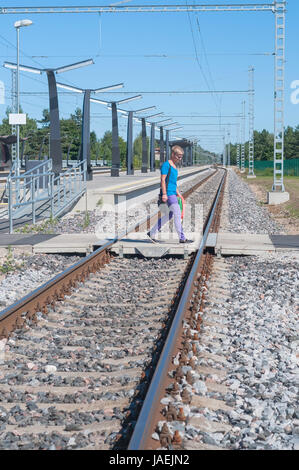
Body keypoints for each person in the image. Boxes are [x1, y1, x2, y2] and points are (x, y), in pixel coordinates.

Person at [147, 145, 193, 244]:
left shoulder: (175, 167)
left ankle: (152, 232)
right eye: (178, 156)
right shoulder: (166, 165)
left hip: (173, 193)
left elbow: (173, 182)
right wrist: (164, 194)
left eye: (181, 157)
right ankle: (182, 238)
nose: (180, 159)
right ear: (173, 154)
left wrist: (178, 194)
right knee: (177, 213)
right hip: (168, 194)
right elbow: (163, 180)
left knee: (169, 215)